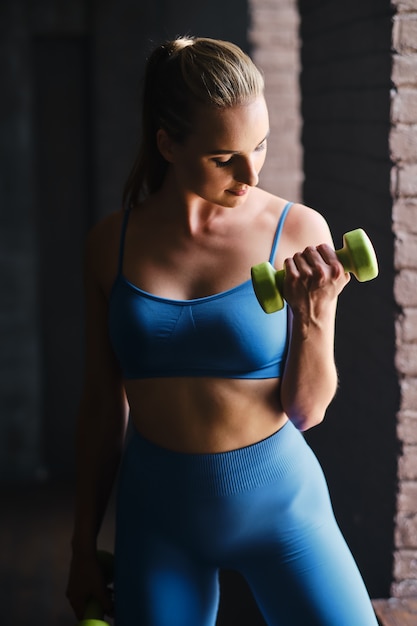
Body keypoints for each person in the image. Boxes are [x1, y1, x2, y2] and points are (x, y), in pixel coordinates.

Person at [66, 36, 378, 625]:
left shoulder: (298, 230)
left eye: (259, 146)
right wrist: (82, 545)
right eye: (223, 156)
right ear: (167, 144)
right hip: (157, 519)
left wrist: (316, 310)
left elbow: (307, 411)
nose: (251, 171)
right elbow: (103, 408)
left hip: (281, 509)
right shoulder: (111, 244)